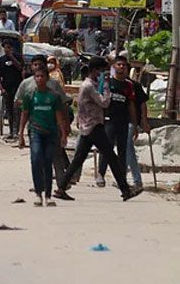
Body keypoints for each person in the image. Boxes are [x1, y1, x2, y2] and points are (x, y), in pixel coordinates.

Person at [54, 57, 142, 202]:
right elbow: (105, 102)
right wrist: (106, 85)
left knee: (79, 159)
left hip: (90, 126)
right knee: (111, 158)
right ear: (95, 70)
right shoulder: (89, 86)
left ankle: (61, 187)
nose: (103, 73)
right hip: (93, 126)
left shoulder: (92, 84)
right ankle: (125, 190)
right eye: (102, 70)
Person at [19, 68, 67, 207]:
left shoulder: (54, 96)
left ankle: (48, 195)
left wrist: (63, 134)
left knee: (47, 161)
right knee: (35, 159)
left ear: (47, 78)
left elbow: (59, 117)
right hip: (36, 131)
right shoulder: (30, 95)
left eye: (42, 76)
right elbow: (25, 114)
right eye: (37, 76)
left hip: (51, 133)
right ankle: (38, 193)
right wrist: (20, 134)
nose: (39, 79)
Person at [97, 55, 141, 187]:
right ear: (114, 67)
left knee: (122, 151)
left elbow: (131, 105)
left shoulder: (129, 85)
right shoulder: (107, 82)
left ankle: (121, 179)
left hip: (123, 121)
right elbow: (99, 100)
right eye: (119, 65)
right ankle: (101, 174)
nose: (121, 67)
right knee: (106, 148)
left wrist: (134, 124)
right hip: (108, 120)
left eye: (124, 65)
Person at [0, 41, 24, 140]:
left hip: (17, 88)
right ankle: (11, 131)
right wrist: (1, 88)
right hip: (6, 88)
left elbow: (20, 68)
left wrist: (12, 57)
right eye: (5, 48)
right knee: (9, 110)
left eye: (9, 47)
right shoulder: (1, 60)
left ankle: (17, 131)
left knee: (17, 110)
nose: (7, 49)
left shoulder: (18, 57)